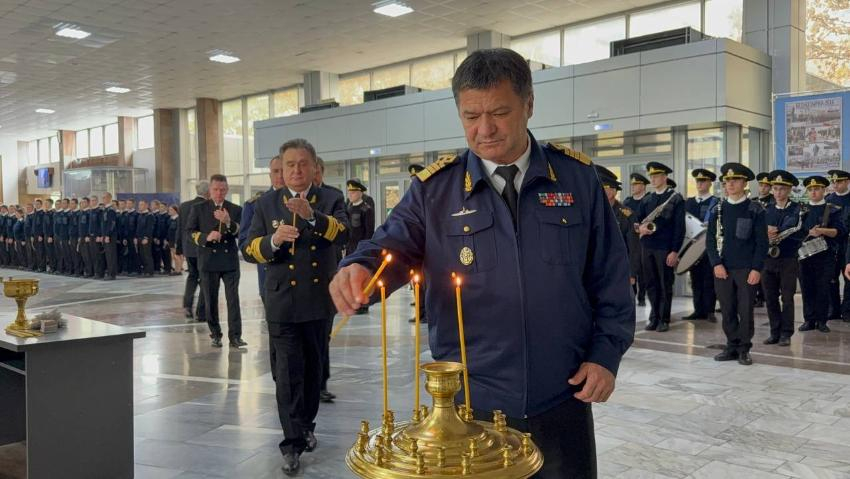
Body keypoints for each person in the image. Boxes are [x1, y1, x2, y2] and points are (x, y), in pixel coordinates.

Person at [330, 48, 634, 479]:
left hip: (562, 395)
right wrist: (361, 266)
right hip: (471, 405)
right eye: (471, 116)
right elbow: (390, 245)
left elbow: (611, 276)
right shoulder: (435, 190)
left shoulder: (576, 178)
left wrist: (605, 355)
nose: (485, 129)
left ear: (529, 105)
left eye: (499, 113)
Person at [242, 138, 349, 476]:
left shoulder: (331, 198)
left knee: (313, 370)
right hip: (282, 302)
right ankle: (291, 444)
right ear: (282, 168)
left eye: (303, 164)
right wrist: (273, 241)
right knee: (288, 373)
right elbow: (247, 248)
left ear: (314, 167)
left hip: (317, 300)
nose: (296, 170)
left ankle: (305, 425)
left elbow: (344, 234)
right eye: (290, 165)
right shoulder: (266, 204)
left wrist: (312, 217)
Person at [706, 163, 767, 366]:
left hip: (746, 269)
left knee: (746, 310)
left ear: (744, 183)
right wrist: (716, 263)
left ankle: (744, 348)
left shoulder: (755, 209)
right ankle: (731, 345)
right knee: (727, 309)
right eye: (727, 181)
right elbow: (710, 240)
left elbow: (762, 243)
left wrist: (756, 268)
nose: (730, 184)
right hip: (723, 269)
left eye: (735, 180)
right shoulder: (717, 209)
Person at [187, 174, 245, 349]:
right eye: (216, 189)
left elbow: (241, 233)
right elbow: (189, 232)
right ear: (210, 190)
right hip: (208, 260)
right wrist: (206, 237)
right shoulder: (199, 208)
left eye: (222, 190)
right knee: (210, 299)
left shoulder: (235, 209)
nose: (219, 193)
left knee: (233, 299)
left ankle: (235, 336)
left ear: (227, 190)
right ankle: (216, 334)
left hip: (229, 262)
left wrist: (228, 222)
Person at [637, 162, 685, 332]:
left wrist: (674, 251)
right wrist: (640, 229)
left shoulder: (675, 198)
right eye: (651, 176)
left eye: (656, 176)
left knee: (665, 284)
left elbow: (679, 228)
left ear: (665, 177)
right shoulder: (647, 199)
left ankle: (664, 319)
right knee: (651, 284)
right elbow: (636, 221)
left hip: (665, 247)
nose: (653, 179)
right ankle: (654, 317)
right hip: (647, 246)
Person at [799, 175, 846, 333]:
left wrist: (822, 231)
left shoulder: (832, 210)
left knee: (823, 288)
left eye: (817, 189)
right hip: (805, 256)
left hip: (825, 256)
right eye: (810, 189)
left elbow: (839, 231)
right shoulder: (801, 210)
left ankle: (821, 321)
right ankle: (809, 320)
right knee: (806, 288)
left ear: (824, 190)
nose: (813, 192)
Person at [762, 170, 804, 347]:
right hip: (767, 259)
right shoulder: (765, 209)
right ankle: (774, 332)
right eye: (775, 188)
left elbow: (801, 233)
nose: (778, 192)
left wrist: (777, 231)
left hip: (788, 259)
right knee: (770, 297)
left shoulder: (798, 209)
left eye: (782, 189)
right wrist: (765, 232)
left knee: (787, 298)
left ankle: (786, 333)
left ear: (789, 190)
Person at [240, 155, 286, 305]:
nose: (280, 176)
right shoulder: (255, 204)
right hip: (270, 277)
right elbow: (245, 244)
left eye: (283, 170)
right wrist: (271, 242)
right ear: (270, 175)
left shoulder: (304, 201)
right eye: (276, 171)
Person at [682, 169, 719, 322]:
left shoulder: (716, 203)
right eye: (698, 181)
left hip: (709, 247)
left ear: (710, 183)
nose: (700, 184)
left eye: (703, 181)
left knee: (709, 279)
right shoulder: (689, 202)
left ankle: (710, 311)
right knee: (695, 279)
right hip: (692, 246)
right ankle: (698, 310)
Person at [595, 165, 636, 286]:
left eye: (604, 188)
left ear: (613, 191)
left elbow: (633, 247)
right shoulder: (594, 212)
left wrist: (631, 273)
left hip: (620, 268)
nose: (601, 191)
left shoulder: (626, 214)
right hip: (599, 268)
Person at [179, 182, 209, 321]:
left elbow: (180, 229)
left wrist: (179, 248)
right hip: (202, 248)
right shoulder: (206, 206)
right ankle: (201, 312)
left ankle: (187, 306)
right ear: (208, 192)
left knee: (192, 277)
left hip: (188, 248)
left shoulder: (184, 206)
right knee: (205, 279)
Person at [345, 179, 375, 316]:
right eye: (349, 192)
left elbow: (369, 231)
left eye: (353, 192)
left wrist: (365, 249)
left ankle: (363, 304)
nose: (350, 195)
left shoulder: (366, 209)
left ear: (360, 193)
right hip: (350, 247)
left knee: (361, 277)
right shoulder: (349, 208)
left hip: (361, 247)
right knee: (351, 277)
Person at [826, 169, 850, 321]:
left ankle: (847, 310)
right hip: (832, 245)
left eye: (839, 181)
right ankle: (833, 309)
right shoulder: (828, 199)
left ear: (847, 182)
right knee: (831, 278)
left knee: (849, 278)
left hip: (848, 245)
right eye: (833, 181)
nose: (835, 184)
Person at [623, 173, 648, 307]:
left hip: (645, 240)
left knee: (642, 270)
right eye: (632, 184)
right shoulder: (627, 202)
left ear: (643, 186)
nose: (633, 187)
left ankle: (642, 297)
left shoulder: (648, 200)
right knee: (631, 267)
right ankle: (632, 294)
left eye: (636, 184)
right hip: (630, 240)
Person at [136, 200, 155, 276]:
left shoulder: (150, 216)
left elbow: (150, 228)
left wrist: (146, 238)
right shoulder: (140, 215)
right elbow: (138, 228)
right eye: (139, 205)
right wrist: (136, 237)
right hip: (139, 238)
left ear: (146, 205)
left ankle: (149, 271)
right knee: (142, 255)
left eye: (142, 205)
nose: (140, 206)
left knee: (147, 255)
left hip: (146, 238)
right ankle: (145, 270)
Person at [167, 205, 183, 276]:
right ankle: (176, 269)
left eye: (171, 210)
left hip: (176, 239)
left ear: (175, 211)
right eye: (169, 210)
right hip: (171, 239)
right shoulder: (170, 219)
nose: (169, 211)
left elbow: (178, 231)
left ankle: (178, 270)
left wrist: (177, 241)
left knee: (177, 255)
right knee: (173, 256)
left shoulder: (178, 219)